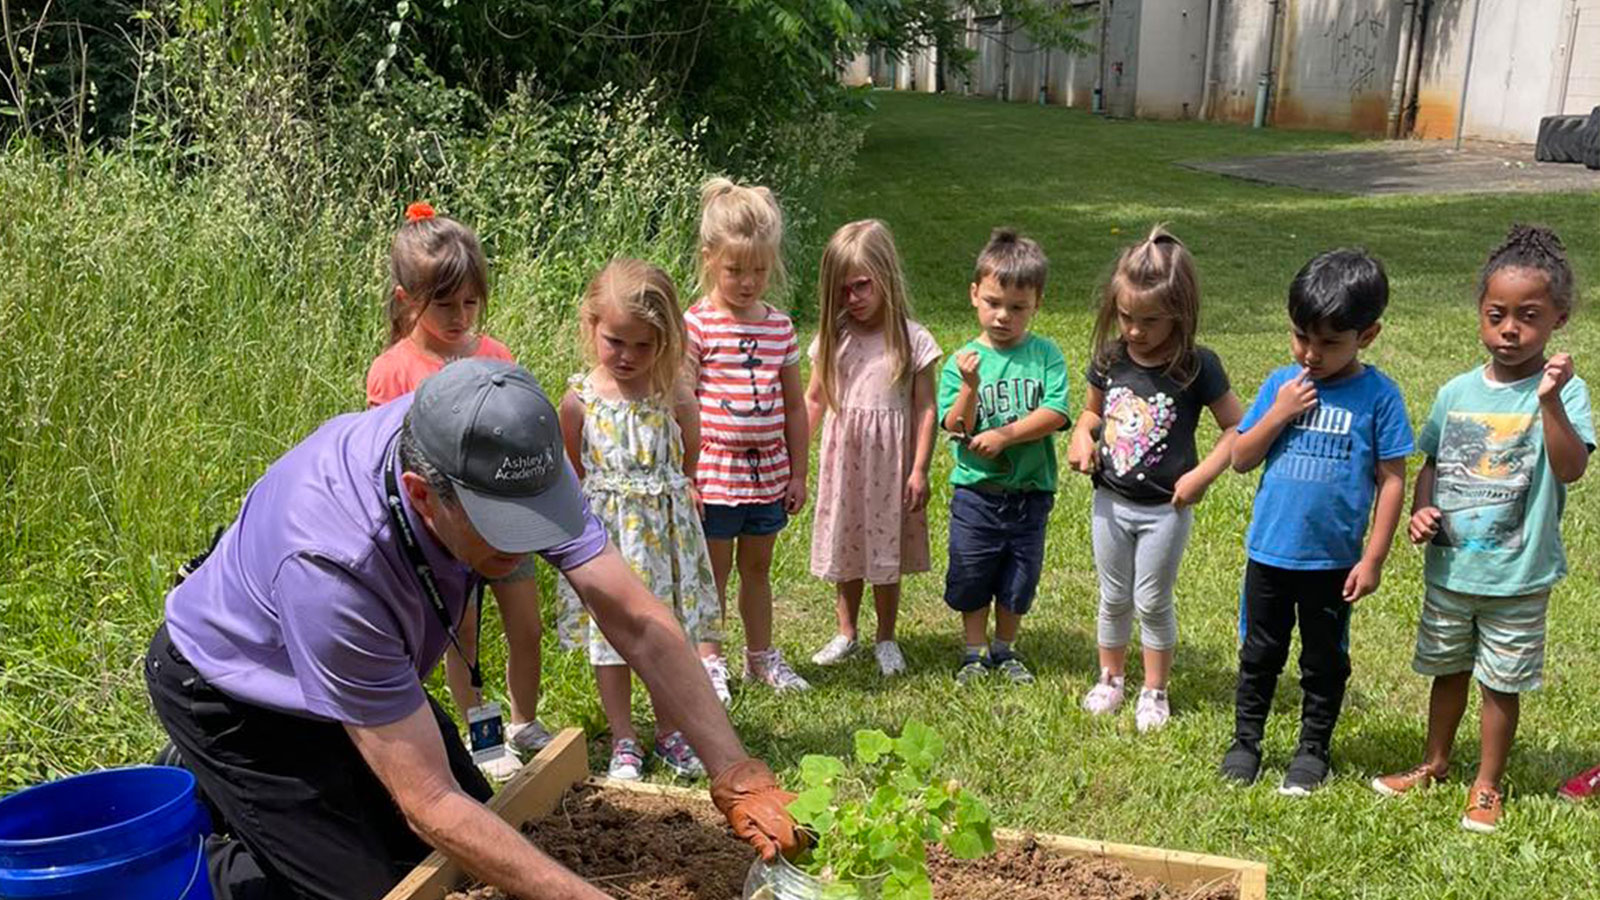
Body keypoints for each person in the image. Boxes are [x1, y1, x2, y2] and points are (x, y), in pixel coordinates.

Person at [145, 358, 799, 900]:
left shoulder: (511, 448)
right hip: (237, 692)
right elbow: (426, 799)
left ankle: (245, 808)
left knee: (473, 845)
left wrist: (735, 769)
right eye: (505, 533)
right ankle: (176, 857)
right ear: (423, 494)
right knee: (376, 890)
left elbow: (633, 616)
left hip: (362, 670)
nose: (528, 548)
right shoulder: (332, 565)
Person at [1372, 225, 1592, 833]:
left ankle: (1487, 784)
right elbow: (1434, 465)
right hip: (1452, 568)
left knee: (1500, 683)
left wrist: (1548, 400)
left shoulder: (1565, 395)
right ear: (1480, 314)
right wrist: (1421, 509)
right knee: (1448, 669)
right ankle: (1435, 763)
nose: (1510, 330)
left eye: (1528, 316)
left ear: (1558, 320)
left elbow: (1571, 468)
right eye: (1497, 315)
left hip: (1517, 575)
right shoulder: (1455, 392)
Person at [363, 202, 550, 770]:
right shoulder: (392, 369)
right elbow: (386, 453)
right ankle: (484, 738)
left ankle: (523, 720)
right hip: (441, 530)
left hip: (504, 516)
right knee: (461, 635)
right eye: (444, 305)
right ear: (406, 301)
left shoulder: (495, 355)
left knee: (527, 624)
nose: (460, 316)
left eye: (471, 303)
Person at [1220, 248, 1412, 796]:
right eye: (1302, 337)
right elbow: (1240, 457)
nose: (1311, 354)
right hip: (1270, 553)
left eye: (1330, 342)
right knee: (1259, 652)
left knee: (1324, 659)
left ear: (1367, 336)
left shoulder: (1378, 396)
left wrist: (1373, 558)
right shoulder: (1283, 383)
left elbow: (1392, 478)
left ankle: (1312, 750)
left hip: (1332, 561)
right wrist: (1279, 412)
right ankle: (1246, 741)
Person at [1066, 227, 1242, 732]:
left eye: (1149, 320)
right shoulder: (1111, 358)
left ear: (1180, 315)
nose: (1135, 330)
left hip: (1166, 509)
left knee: (1152, 599)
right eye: (1125, 317)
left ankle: (1155, 689)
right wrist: (1081, 439)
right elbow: (1089, 416)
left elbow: (1236, 427)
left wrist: (1203, 476)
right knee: (1113, 594)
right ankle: (1110, 678)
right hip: (1110, 502)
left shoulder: (1196, 366)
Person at [555, 259, 720, 781]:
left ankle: (671, 731)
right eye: (615, 342)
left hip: (665, 540)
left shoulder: (674, 396)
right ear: (592, 328)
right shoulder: (580, 402)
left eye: (643, 345)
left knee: (667, 635)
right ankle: (624, 736)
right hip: (609, 542)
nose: (627, 356)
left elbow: (687, 458)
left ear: (666, 340)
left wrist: (679, 490)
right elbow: (576, 468)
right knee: (612, 641)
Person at [684, 177, 810, 697]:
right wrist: (685, 472)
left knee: (757, 569)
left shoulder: (779, 328)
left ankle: (761, 656)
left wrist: (799, 470)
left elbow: (796, 406)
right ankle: (710, 660)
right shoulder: (697, 326)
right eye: (735, 270)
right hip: (714, 472)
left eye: (759, 270)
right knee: (714, 571)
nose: (747, 281)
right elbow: (682, 404)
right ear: (710, 258)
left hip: (768, 472)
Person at [804, 220, 941, 677]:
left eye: (862, 286)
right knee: (847, 542)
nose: (853, 298)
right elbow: (814, 399)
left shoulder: (912, 339)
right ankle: (846, 632)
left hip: (890, 465)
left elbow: (925, 408)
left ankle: (886, 636)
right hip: (844, 463)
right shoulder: (834, 337)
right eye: (842, 290)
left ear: (885, 276)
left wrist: (920, 467)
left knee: (885, 548)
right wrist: (794, 457)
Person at [938, 228, 1069, 687]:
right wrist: (970, 389)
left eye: (1017, 308)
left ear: (1037, 305)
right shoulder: (963, 361)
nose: (1003, 316)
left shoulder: (1046, 354)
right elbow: (955, 425)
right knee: (973, 571)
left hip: (1030, 493)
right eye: (993, 302)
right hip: (976, 492)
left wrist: (1005, 435)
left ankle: (1004, 649)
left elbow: (1056, 412)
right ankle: (973, 651)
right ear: (974, 294)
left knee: (1019, 576)